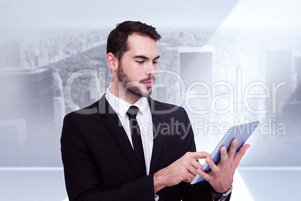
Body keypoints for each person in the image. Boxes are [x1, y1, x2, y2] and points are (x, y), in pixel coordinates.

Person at [61, 21, 250, 201]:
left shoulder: (176, 117)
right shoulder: (79, 125)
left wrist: (219, 190)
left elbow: (191, 194)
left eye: (155, 62)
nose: (151, 71)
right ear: (113, 61)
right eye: (141, 61)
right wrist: (159, 180)